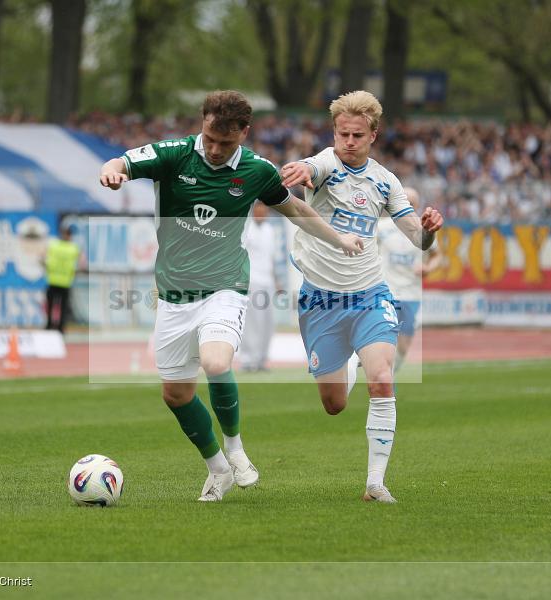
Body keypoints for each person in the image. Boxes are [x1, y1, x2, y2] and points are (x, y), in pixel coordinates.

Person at [99, 90, 363, 502]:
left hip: (225, 287)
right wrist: (111, 173)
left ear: (244, 132)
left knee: (216, 360)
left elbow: (295, 210)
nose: (216, 149)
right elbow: (121, 161)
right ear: (202, 123)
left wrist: (339, 238)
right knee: (176, 394)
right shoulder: (174, 154)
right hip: (172, 294)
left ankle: (236, 449)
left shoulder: (257, 170)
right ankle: (217, 469)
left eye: (227, 142)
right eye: (209, 138)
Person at [281, 90, 444, 504]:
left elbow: (418, 241)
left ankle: (375, 483)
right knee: (334, 405)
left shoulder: (386, 182)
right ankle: (346, 367)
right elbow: (310, 167)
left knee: (384, 378)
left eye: (356, 135)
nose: (348, 141)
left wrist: (429, 230)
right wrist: (300, 168)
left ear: (373, 134)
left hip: (370, 293)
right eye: (342, 133)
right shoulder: (323, 163)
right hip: (321, 301)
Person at [347, 188, 442, 386]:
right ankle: (377, 374)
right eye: (405, 201)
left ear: (417, 205)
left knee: (404, 346)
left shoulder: (424, 227)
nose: (408, 205)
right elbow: (365, 249)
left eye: (412, 203)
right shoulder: (382, 227)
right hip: (385, 290)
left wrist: (428, 267)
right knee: (381, 335)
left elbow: (437, 255)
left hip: (411, 293)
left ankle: (384, 374)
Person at [238, 201, 278, 372]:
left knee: (268, 323)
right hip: (251, 281)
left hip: (268, 281)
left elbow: (272, 258)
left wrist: (277, 281)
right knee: (251, 323)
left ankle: (261, 359)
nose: (262, 211)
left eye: (265, 208)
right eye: (258, 208)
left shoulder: (270, 230)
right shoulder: (247, 229)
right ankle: (248, 360)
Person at [44, 225, 82, 333]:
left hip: (53, 281)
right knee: (62, 307)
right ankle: (60, 328)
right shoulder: (73, 248)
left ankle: (49, 326)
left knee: (51, 306)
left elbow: (44, 258)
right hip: (65, 282)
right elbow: (81, 262)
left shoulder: (53, 245)